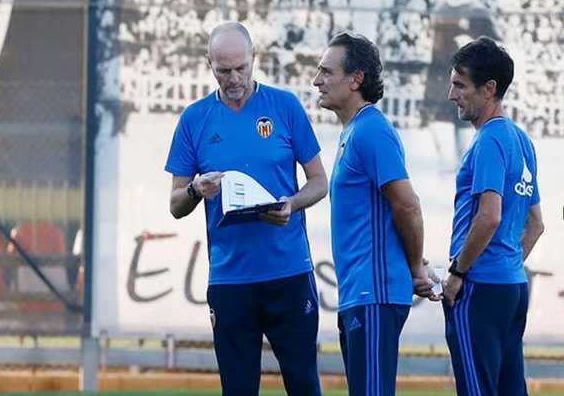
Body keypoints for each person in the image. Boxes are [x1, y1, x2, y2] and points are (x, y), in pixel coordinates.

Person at [165, 22, 327, 396]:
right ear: (209, 64)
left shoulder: (284, 106)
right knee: (238, 389)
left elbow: (320, 181)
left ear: (255, 58)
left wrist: (292, 203)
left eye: (241, 67)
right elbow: (175, 204)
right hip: (231, 280)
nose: (234, 78)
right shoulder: (195, 118)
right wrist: (195, 188)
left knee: (304, 385)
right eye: (223, 70)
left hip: (288, 272)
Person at [313, 31, 436, 395]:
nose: (316, 80)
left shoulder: (371, 130)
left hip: (375, 294)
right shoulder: (355, 131)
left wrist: (415, 268)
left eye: (325, 72)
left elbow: (407, 204)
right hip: (360, 293)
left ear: (356, 79)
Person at [443, 36, 544, 396]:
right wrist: (508, 263)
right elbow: (536, 225)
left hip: (480, 288)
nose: (452, 94)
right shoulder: (522, 140)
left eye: (459, 85)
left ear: (489, 89)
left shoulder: (488, 141)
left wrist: (458, 272)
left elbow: (489, 216)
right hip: (512, 287)